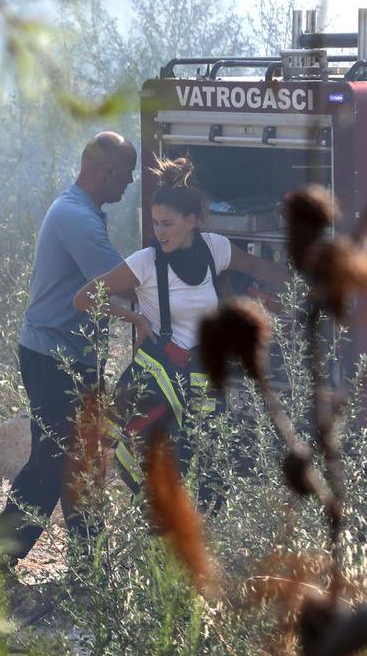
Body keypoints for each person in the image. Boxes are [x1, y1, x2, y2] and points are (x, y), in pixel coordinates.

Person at [72, 156, 287, 492]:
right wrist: (135, 317)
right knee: (156, 483)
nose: (159, 232)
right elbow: (84, 297)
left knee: (207, 480)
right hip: (161, 381)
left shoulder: (215, 248)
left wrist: (310, 287)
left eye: (167, 224)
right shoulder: (145, 261)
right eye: (156, 223)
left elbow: (260, 268)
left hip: (202, 384)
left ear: (191, 221)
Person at [0, 131, 137, 567]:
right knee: (53, 461)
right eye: (127, 173)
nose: (129, 183)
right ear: (107, 170)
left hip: (70, 356)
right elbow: (121, 279)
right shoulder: (76, 217)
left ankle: (88, 565)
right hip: (53, 358)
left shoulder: (81, 211)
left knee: (83, 462)